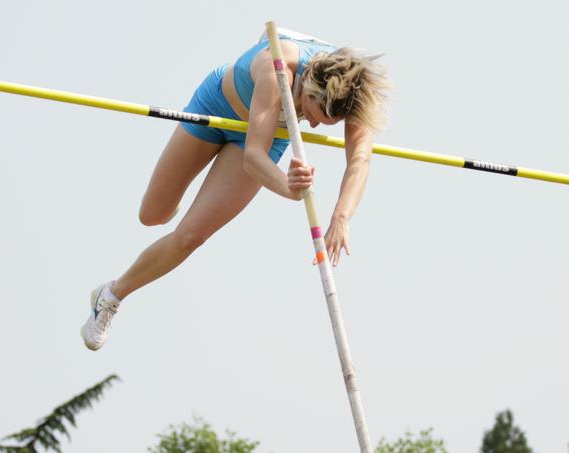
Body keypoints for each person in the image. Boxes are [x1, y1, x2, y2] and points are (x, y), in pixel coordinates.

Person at [81, 28, 390, 351]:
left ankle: (111, 296)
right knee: (153, 215)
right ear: (309, 87)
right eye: (312, 115)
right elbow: (255, 159)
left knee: (191, 236)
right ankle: (177, 194)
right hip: (219, 106)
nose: (311, 125)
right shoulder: (278, 67)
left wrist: (341, 217)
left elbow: (360, 161)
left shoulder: (355, 95)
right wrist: (288, 186)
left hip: (268, 135)